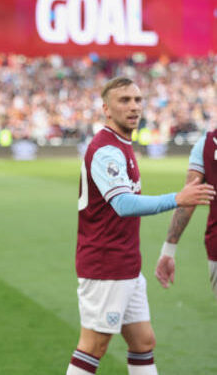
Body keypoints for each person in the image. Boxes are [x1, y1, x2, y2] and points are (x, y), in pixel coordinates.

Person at [68, 76, 215, 375]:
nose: (134, 107)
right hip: (105, 264)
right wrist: (178, 197)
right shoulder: (106, 150)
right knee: (93, 346)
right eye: (124, 101)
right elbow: (123, 205)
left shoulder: (121, 145)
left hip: (125, 264)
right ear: (106, 109)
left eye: (137, 100)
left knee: (143, 342)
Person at [155, 132, 217, 299]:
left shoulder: (206, 144)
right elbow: (188, 198)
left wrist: (168, 249)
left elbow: (188, 198)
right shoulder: (205, 144)